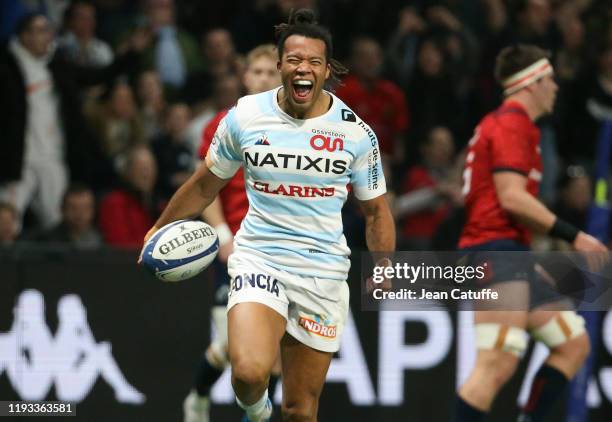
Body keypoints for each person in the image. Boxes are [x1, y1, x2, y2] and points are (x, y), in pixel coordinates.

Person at [142, 9, 394, 421]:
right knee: (247, 372)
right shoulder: (244, 116)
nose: (303, 68)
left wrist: (383, 266)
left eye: (314, 62)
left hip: (323, 273)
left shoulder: (355, 132)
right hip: (260, 258)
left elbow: (376, 212)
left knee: (299, 410)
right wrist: (160, 226)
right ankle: (258, 415)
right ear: (280, 66)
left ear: (326, 70)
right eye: (294, 60)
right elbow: (206, 184)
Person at [454, 44, 607, 422]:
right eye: (550, 78)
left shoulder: (511, 124)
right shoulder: (512, 123)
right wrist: (577, 236)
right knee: (495, 362)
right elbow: (512, 199)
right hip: (496, 251)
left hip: (511, 252)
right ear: (532, 83)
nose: (556, 86)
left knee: (573, 343)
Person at [182, 43, 281, 422]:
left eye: (271, 73)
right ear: (244, 76)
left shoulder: (296, 127)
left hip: (276, 251)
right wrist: (222, 233)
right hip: (234, 249)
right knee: (231, 345)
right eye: (257, 72)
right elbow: (204, 186)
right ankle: (199, 393)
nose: (263, 79)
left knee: (271, 353)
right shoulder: (225, 122)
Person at [100, 146, 161, 248]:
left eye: (150, 168)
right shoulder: (114, 203)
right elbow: (120, 246)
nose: (146, 174)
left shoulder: (158, 204)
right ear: (128, 171)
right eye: (141, 168)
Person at [32, 183, 102, 249]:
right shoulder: (47, 243)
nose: (80, 213)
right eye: (73, 208)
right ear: (62, 209)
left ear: (93, 210)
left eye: (85, 208)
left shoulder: (101, 239)